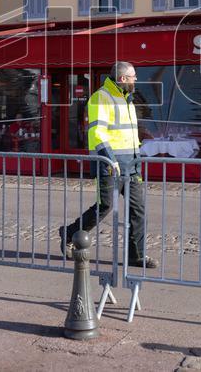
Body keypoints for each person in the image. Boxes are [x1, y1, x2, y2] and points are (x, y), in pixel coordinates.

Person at [60, 62, 158, 269]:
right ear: (123, 79)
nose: (135, 80)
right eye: (133, 76)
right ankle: (69, 233)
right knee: (104, 207)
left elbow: (128, 135)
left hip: (131, 166)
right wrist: (110, 159)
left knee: (137, 210)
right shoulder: (101, 97)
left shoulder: (127, 100)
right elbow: (97, 133)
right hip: (109, 166)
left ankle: (136, 256)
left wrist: (137, 162)